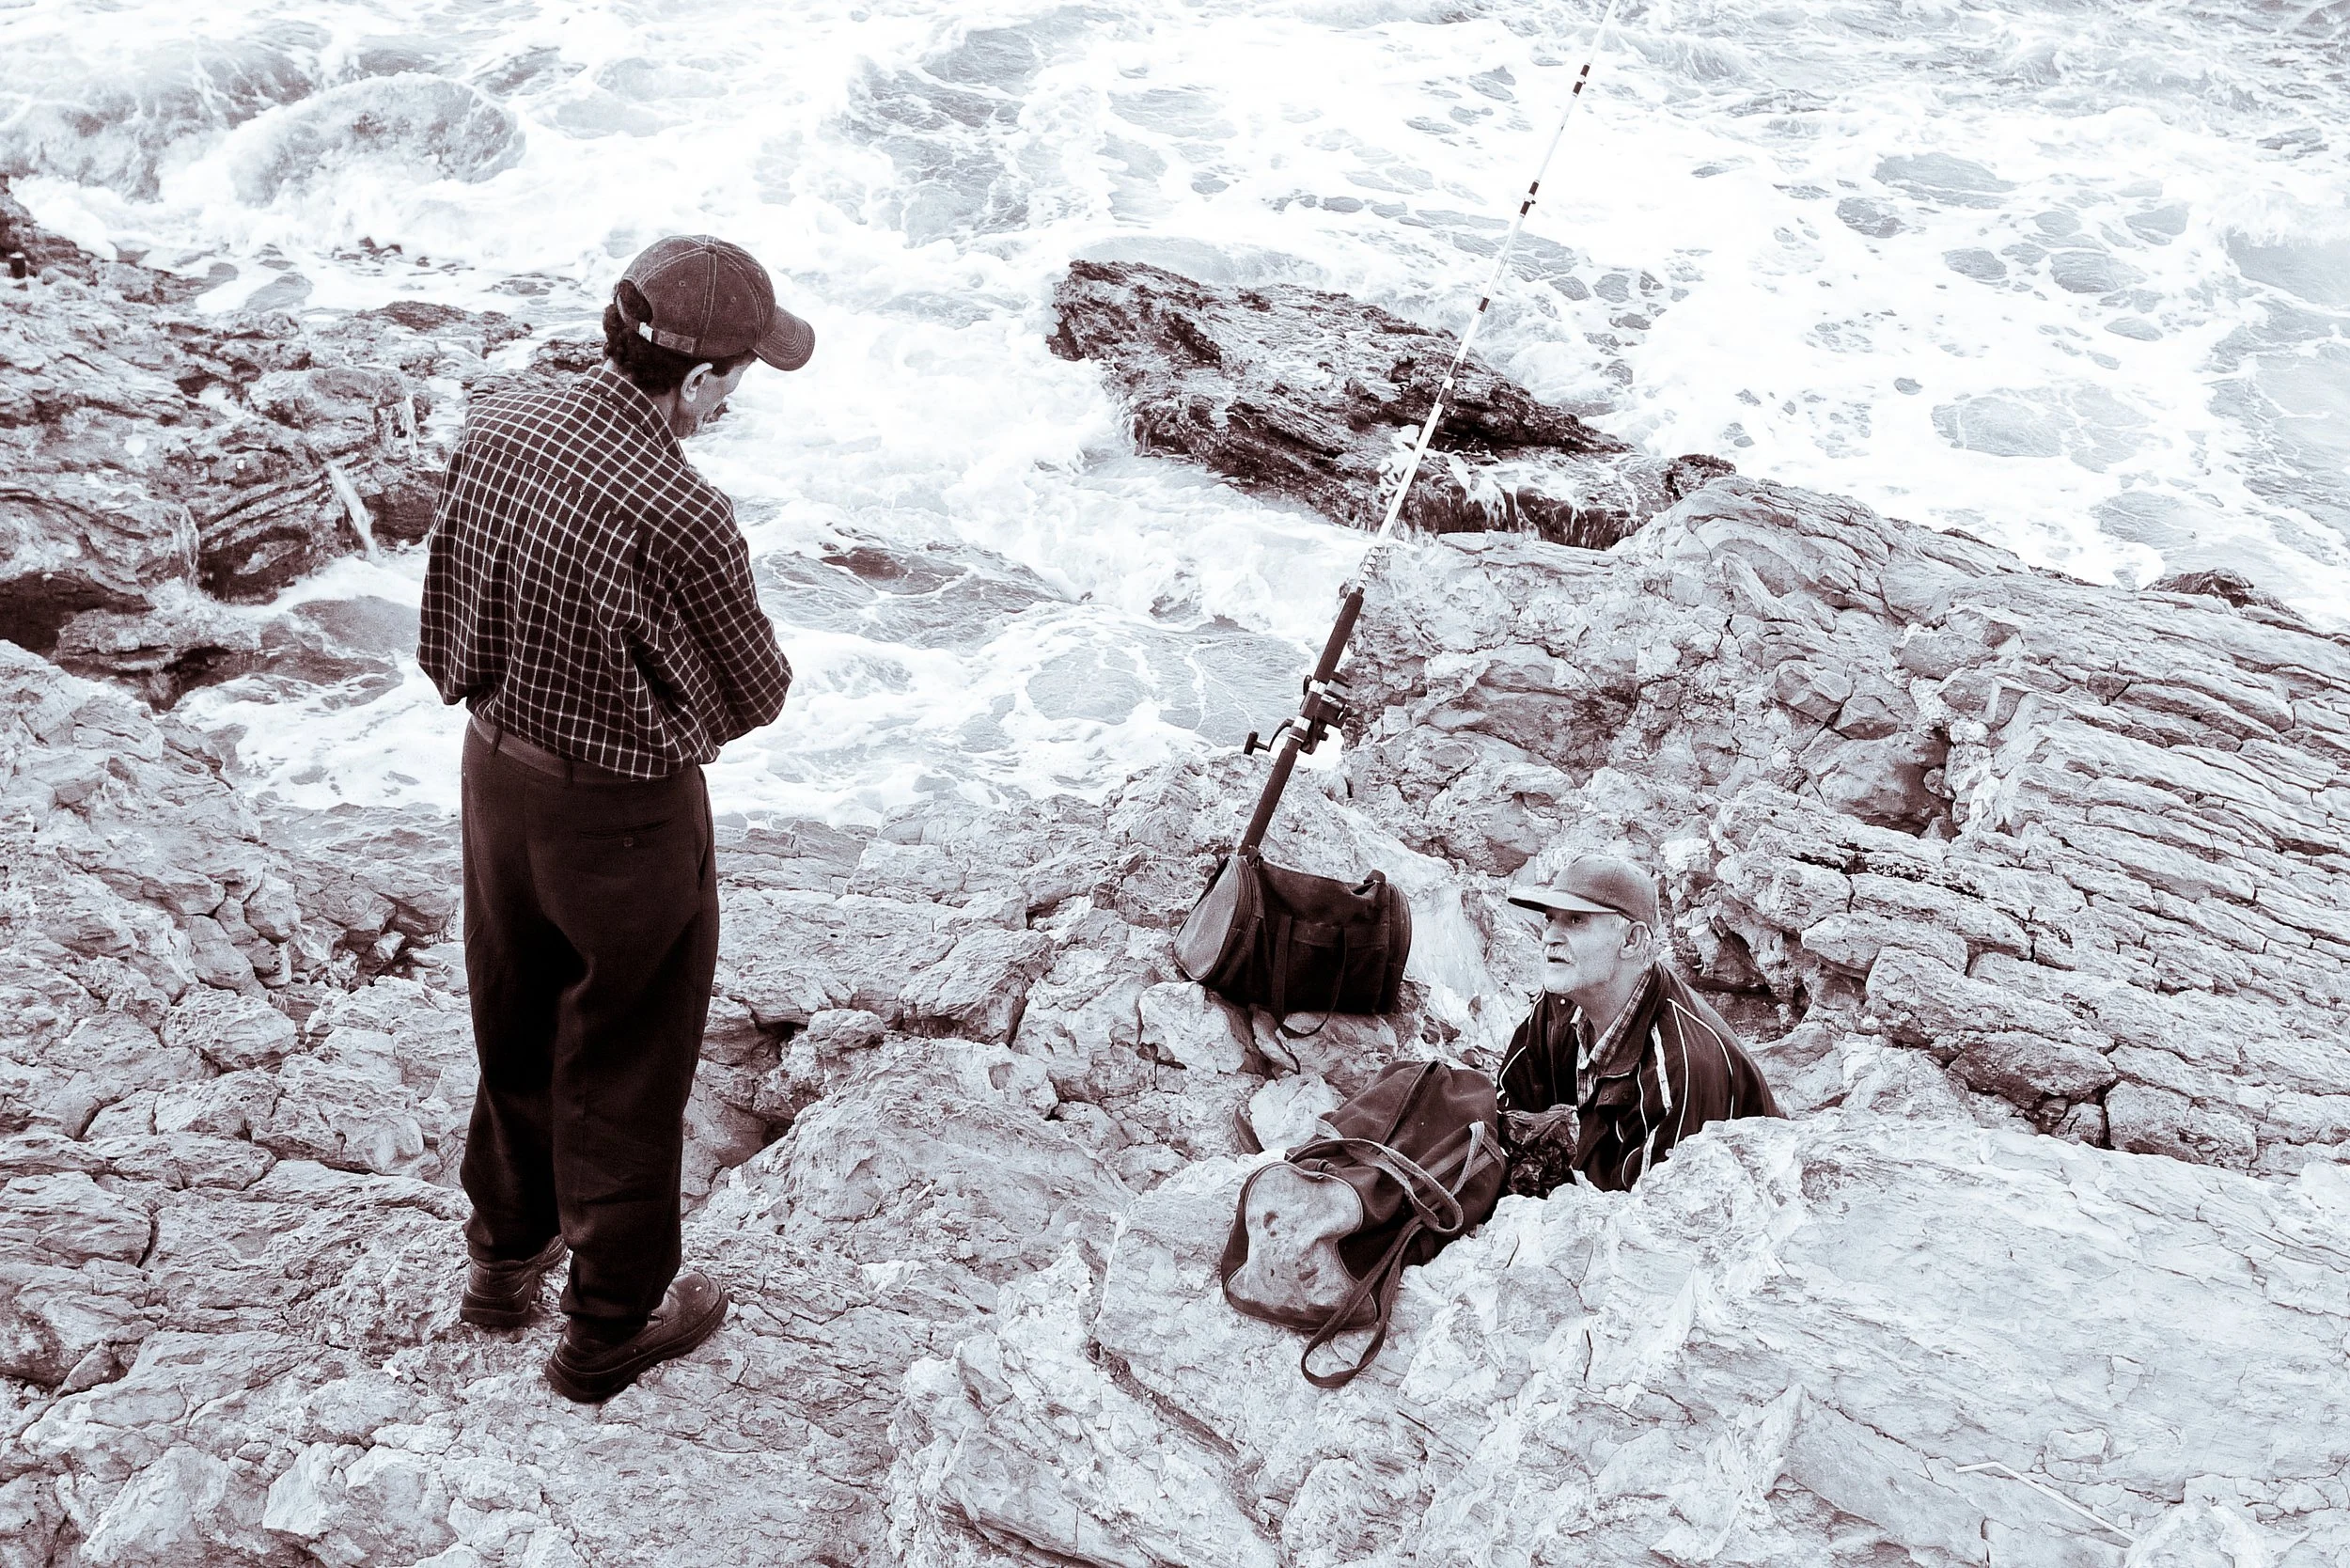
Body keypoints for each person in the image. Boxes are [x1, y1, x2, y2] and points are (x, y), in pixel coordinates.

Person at [416, 235, 812, 1402]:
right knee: (626, 1065)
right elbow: (756, 692)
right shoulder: (682, 508)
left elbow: (451, 589)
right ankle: (607, 1329)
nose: (737, 395)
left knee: (515, 1018)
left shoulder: (505, 416)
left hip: (493, 776)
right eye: (738, 374)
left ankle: (501, 1263)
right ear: (696, 382)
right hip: (625, 823)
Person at [1496, 853, 1781, 1195]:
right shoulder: (1561, 1002)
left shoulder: (1679, 1067)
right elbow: (1508, 1107)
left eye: (1575, 921)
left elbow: (1647, 1222)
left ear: (1631, 940)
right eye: (1550, 920)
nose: (1549, 938)